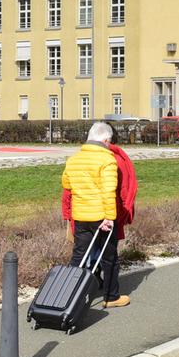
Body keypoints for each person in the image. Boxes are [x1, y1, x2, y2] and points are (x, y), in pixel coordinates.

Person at [60, 122, 133, 308]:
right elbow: (109, 191)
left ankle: (68, 297)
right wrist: (110, 217)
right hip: (102, 218)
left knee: (78, 257)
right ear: (106, 140)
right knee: (110, 258)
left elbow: (67, 185)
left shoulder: (74, 159)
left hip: (81, 217)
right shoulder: (107, 160)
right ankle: (111, 297)